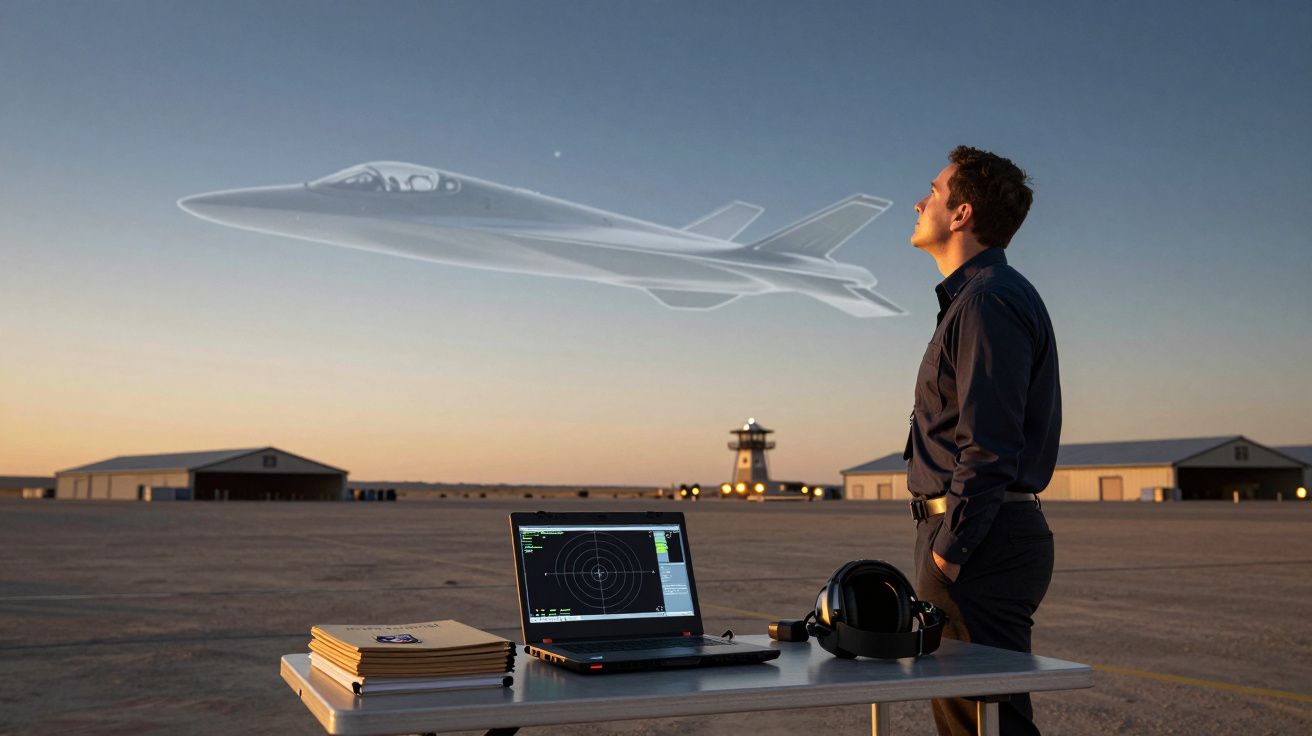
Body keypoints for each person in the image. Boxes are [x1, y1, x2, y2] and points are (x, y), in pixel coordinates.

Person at [905, 146, 1061, 735]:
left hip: (978, 544)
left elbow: (990, 444)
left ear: (962, 213)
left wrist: (949, 551)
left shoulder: (988, 300)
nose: (919, 203)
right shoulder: (978, 297)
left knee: (986, 725)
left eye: (934, 193)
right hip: (974, 538)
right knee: (979, 721)